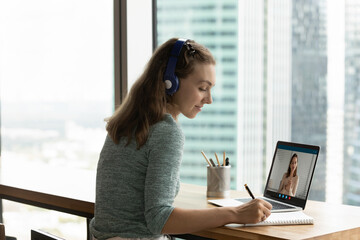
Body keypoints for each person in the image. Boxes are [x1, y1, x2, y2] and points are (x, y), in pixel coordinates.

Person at [89, 38, 272, 240]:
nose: (209, 99)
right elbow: (159, 219)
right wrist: (236, 213)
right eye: (202, 88)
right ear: (170, 82)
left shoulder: (126, 123)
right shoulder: (166, 132)